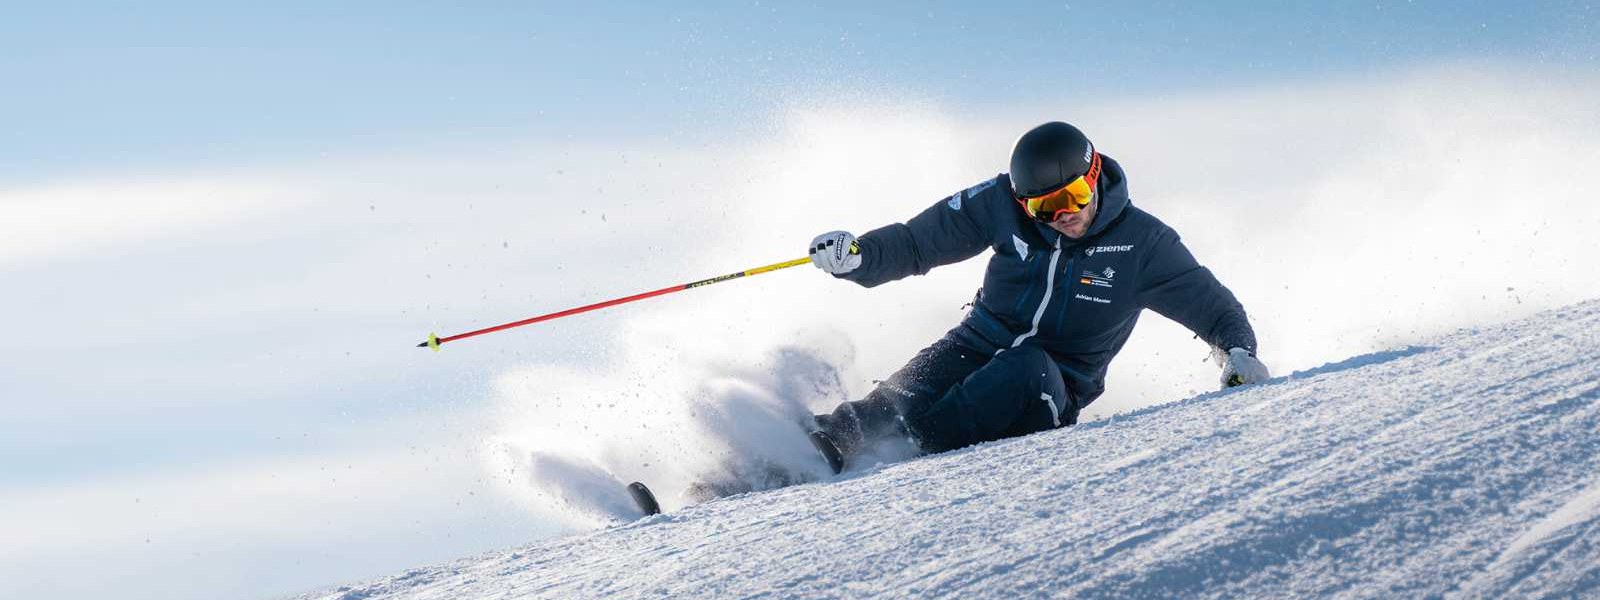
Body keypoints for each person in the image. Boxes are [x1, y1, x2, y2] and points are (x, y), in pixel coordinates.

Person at [805, 121, 1270, 465]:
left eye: (1074, 197)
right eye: (1044, 206)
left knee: (1021, 367)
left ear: (1094, 177)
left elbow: (1212, 305)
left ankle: (908, 455)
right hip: (978, 341)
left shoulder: (1144, 243)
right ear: (1023, 200)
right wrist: (860, 257)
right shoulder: (999, 202)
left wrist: (1238, 352)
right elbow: (919, 241)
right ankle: (807, 454)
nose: (1063, 214)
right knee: (904, 392)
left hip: (1054, 386)